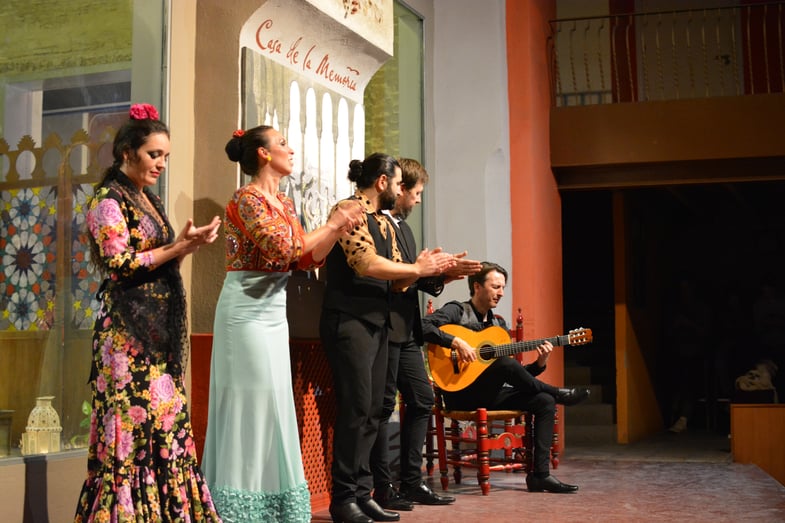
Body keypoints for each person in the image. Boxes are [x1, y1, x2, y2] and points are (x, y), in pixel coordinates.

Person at [201, 125, 363, 522]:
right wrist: (332, 222)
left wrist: (337, 228)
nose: (291, 150)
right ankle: (237, 505)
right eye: (283, 144)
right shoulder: (246, 199)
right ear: (262, 153)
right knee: (248, 403)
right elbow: (284, 247)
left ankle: (272, 504)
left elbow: (306, 259)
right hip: (245, 312)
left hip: (274, 312)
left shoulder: (285, 204)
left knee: (274, 403)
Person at [75, 103, 223, 521]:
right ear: (127, 153)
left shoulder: (146, 198)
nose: (160, 163)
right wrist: (176, 247)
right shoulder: (108, 201)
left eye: (165, 157)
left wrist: (187, 245)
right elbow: (119, 264)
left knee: (166, 432)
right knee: (129, 438)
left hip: (155, 337)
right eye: (153, 154)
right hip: (124, 340)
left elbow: (155, 262)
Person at [320, 153, 455, 523]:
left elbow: (398, 280)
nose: (401, 191)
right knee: (356, 409)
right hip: (350, 320)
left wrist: (437, 271)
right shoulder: (350, 210)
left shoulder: (382, 220)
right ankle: (343, 497)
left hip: (378, 323)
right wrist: (417, 267)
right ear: (382, 182)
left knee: (375, 412)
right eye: (398, 184)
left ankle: (362, 494)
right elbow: (364, 262)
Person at [421, 262, 590, 494]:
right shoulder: (456, 311)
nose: (501, 292)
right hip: (459, 393)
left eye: (503, 287)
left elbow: (514, 375)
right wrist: (455, 341)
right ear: (477, 286)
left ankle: (541, 475)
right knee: (506, 364)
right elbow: (422, 326)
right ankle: (558, 392)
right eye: (495, 286)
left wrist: (539, 364)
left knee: (544, 402)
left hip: (490, 393)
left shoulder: (498, 325)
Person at [370, 158, 481, 511]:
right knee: (384, 406)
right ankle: (382, 487)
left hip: (407, 330)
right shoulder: (375, 224)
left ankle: (412, 482)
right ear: (397, 188)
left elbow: (413, 277)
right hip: (385, 327)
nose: (418, 200)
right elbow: (392, 276)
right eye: (415, 193)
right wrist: (425, 271)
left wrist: (443, 276)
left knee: (420, 399)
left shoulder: (403, 227)